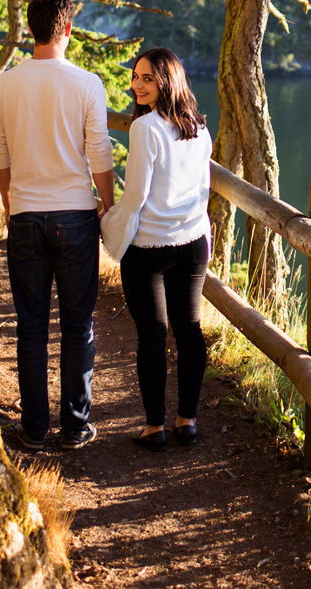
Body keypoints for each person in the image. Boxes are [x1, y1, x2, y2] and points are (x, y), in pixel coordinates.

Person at [0, 0, 115, 452]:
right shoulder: (87, 83)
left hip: (25, 215)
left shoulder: (6, 83)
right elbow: (99, 151)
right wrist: (107, 205)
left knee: (31, 325)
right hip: (76, 217)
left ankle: (35, 429)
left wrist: (9, 199)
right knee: (78, 324)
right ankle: (77, 426)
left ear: (30, 29)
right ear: (68, 29)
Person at [100, 47, 213, 452]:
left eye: (148, 77)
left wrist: (108, 223)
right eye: (135, 77)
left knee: (152, 335)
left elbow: (135, 197)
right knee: (188, 330)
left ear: (169, 80)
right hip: (192, 243)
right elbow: (203, 190)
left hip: (150, 247)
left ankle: (155, 428)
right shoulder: (199, 128)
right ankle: (187, 421)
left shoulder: (145, 128)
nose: (138, 85)